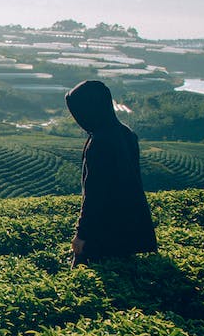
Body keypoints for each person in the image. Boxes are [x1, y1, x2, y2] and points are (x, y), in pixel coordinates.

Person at [64, 80, 157, 265]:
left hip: (103, 233)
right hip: (130, 229)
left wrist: (81, 235)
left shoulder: (99, 143)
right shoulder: (126, 134)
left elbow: (95, 195)